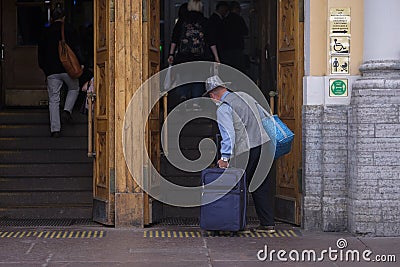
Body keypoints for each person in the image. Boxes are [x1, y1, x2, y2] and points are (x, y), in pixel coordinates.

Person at [204, 75, 276, 234]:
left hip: (246, 149)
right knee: (261, 185)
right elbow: (266, 116)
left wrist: (224, 158)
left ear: (212, 95)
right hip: (265, 145)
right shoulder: (245, 96)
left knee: (240, 187)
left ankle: (237, 224)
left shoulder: (223, 108)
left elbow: (229, 135)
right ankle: (267, 223)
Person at [38, 4, 83, 137]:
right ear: (63, 17)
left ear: (52, 17)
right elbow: (77, 48)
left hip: (51, 71)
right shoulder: (69, 29)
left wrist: (45, 70)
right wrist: (82, 63)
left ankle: (55, 130)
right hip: (68, 68)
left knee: (53, 99)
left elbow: (40, 54)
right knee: (74, 88)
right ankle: (67, 111)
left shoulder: (45, 32)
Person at [168, 0, 220, 109]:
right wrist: (216, 57)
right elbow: (211, 41)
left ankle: (184, 99)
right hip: (200, 58)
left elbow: (175, 38)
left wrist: (171, 54)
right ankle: (196, 103)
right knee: (198, 80)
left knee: (184, 79)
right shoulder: (204, 21)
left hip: (183, 57)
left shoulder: (182, 21)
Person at [222, 1, 248, 72]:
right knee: (239, 70)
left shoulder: (225, 20)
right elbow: (245, 31)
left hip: (226, 49)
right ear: (236, 9)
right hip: (237, 48)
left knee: (229, 70)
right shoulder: (239, 19)